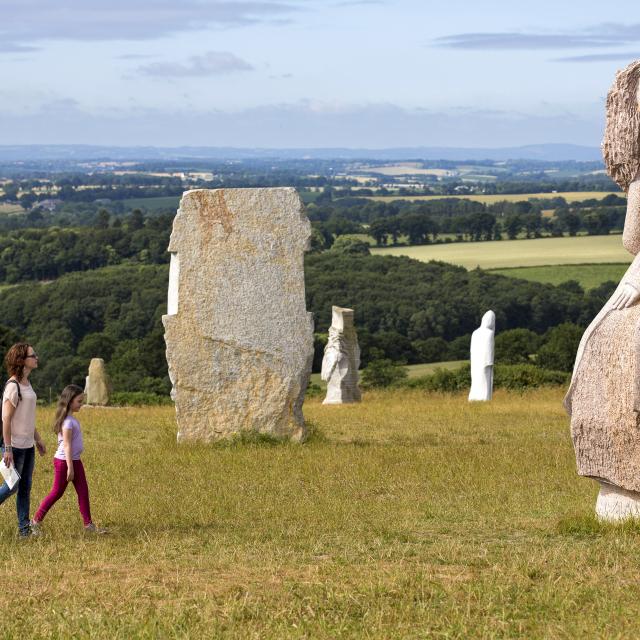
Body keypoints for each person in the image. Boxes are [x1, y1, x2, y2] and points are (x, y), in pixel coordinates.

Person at [31, 385, 106, 534]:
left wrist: (73, 464)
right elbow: (67, 446)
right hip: (65, 462)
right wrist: (70, 468)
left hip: (74, 460)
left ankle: (88, 525)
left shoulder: (71, 419)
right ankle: (34, 522)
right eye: (79, 401)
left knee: (83, 492)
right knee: (57, 492)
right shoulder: (67, 423)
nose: (81, 404)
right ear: (70, 401)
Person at [0, 343, 46, 537]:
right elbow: (6, 419)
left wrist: (38, 439)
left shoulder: (27, 383)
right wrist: (8, 448)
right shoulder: (13, 386)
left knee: (25, 487)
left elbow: (27, 417)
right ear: (21, 360)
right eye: (32, 355)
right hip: (14, 446)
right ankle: (24, 529)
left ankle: (24, 531)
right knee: (13, 486)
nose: (36, 358)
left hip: (28, 445)